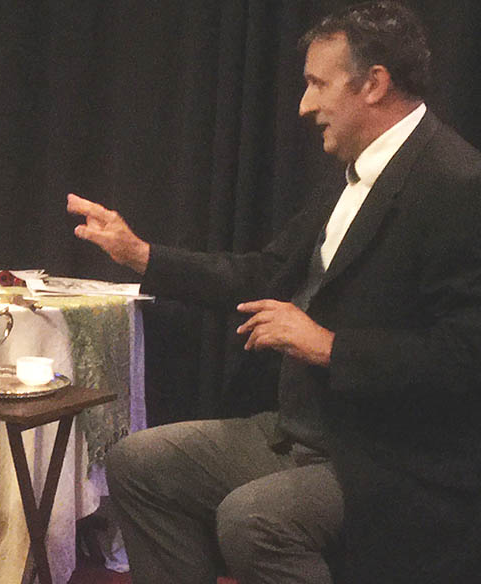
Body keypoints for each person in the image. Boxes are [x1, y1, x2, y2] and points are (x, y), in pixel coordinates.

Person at [67, 2, 481, 583]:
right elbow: (265, 275)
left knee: (254, 518)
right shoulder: (354, 176)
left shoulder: (456, 184)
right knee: (139, 462)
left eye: (317, 84)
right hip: (302, 430)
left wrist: (328, 346)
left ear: (374, 84)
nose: (304, 105)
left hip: (391, 457)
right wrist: (141, 255)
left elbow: (465, 357)